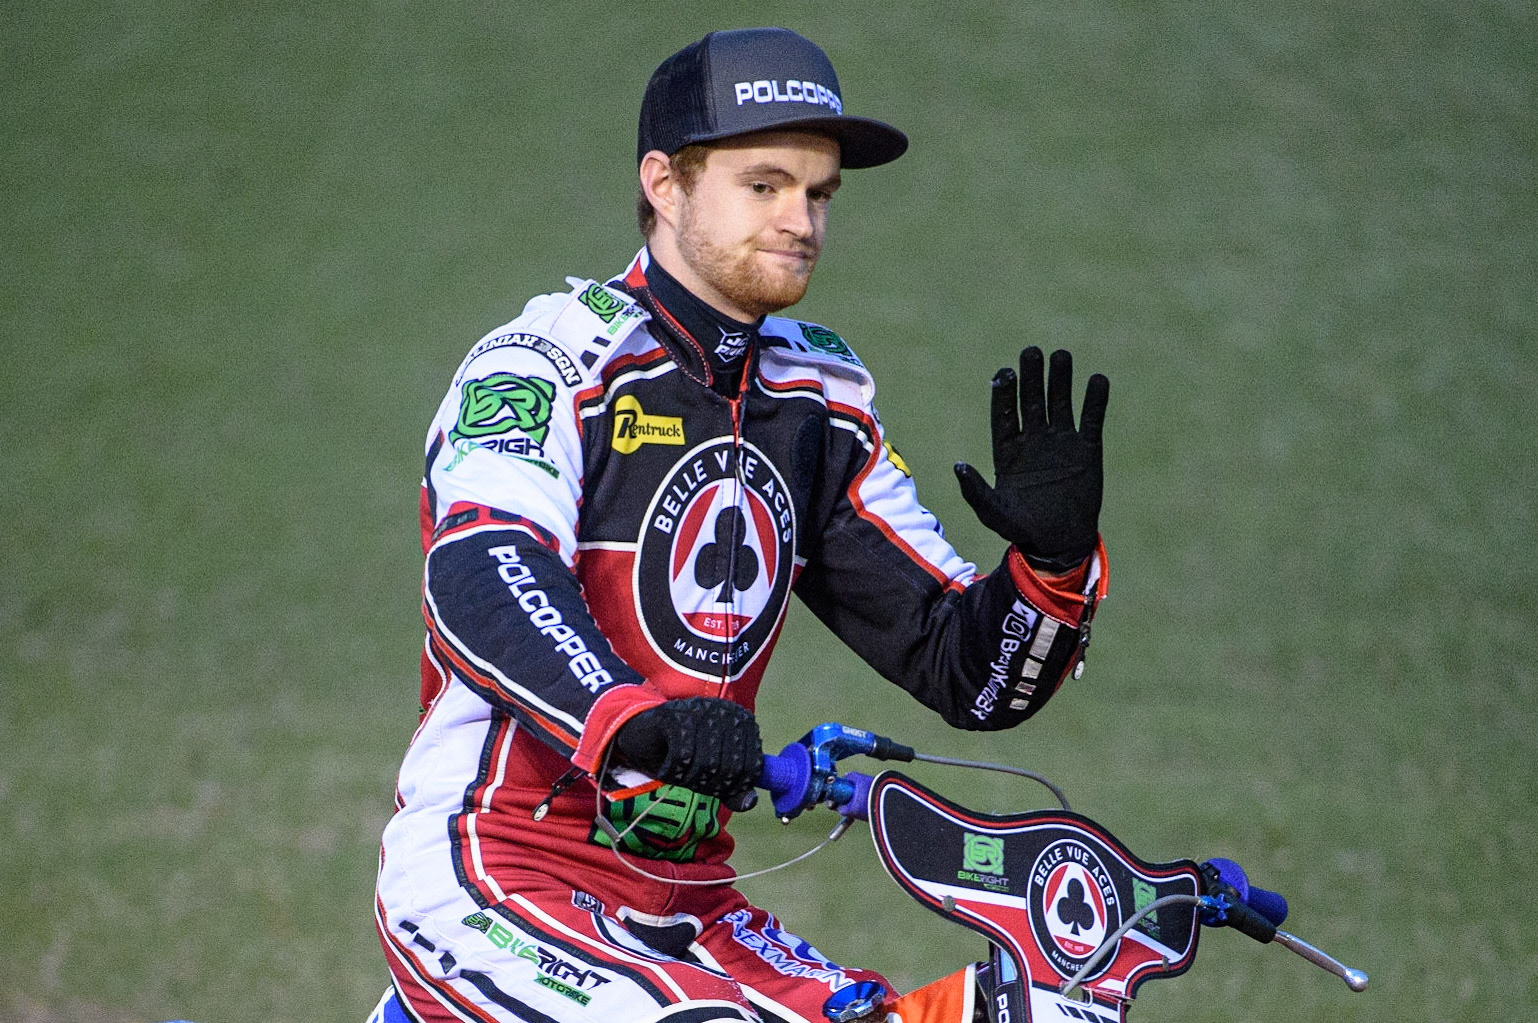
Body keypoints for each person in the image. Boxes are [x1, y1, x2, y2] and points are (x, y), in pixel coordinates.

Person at [374, 26, 1109, 1023]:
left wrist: (1050, 568)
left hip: (686, 906)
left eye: (817, 193)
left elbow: (964, 669)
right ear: (664, 186)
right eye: (763, 185)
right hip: (498, 865)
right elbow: (481, 573)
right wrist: (631, 722)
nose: (800, 218)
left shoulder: (815, 396)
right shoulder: (546, 359)